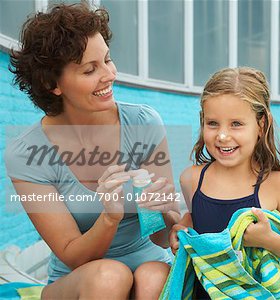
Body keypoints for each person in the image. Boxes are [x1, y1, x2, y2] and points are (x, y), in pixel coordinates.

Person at [6, 3, 179, 299]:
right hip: (80, 279)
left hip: (148, 263)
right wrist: (109, 217)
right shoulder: (26, 154)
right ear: (52, 83)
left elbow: (163, 239)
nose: (109, 75)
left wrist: (165, 213)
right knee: (109, 277)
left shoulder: (143, 123)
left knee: (154, 278)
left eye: (108, 61)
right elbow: (72, 254)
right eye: (90, 69)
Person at [169, 67, 280, 298]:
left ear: (261, 125)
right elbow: (198, 219)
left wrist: (268, 240)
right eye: (213, 123)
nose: (222, 135)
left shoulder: (276, 184)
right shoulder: (192, 179)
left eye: (236, 124)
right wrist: (180, 230)